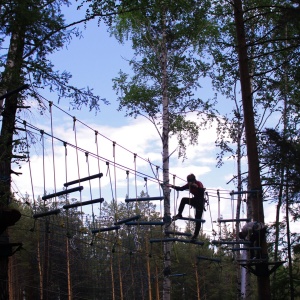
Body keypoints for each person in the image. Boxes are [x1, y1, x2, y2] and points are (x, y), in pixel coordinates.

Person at [168, 174, 205, 241]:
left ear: (194, 181)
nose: (189, 183)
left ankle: (195, 236)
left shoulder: (199, 184)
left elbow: (202, 193)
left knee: (198, 219)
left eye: (190, 182)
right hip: (195, 200)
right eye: (188, 182)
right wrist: (172, 186)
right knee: (184, 200)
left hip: (200, 202)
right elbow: (181, 188)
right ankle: (179, 214)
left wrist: (197, 187)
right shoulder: (189, 185)